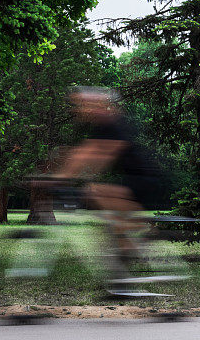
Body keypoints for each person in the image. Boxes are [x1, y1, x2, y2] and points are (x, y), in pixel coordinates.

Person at [50, 87, 162, 282]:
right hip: (136, 181)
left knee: (95, 191)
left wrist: (62, 177)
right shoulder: (102, 126)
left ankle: (142, 233)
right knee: (109, 221)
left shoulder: (112, 125)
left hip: (146, 182)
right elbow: (83, 153)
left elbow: (97, 154)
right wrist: (61, 175)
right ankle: (122, 272)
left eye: (84, 105)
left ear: (97, 104)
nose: (81, 110)